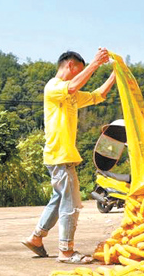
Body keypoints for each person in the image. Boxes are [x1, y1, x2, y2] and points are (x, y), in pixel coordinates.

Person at [22, 49, 116, 263]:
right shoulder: (53, 87)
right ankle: (66, 251)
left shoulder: (71, 96)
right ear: (70, 66)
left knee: (59, 199)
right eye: (79, 72)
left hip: (61, 156)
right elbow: (72, 86)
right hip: (59, 155)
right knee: (71, 203)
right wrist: (95, 64)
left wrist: (114, 76)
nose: (78, 77)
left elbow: (97, 95)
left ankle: (36, 238)